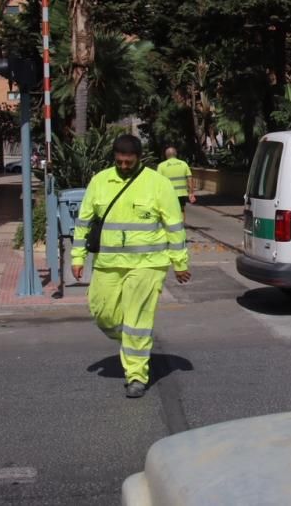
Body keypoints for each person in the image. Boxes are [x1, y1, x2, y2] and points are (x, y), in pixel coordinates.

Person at [72, 135, 191, 398]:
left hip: (148, 264)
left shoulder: (157, 184)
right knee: (102, 312)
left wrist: (180, 263)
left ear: (139, 158)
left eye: (129, 162)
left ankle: (136, 375)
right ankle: (132, 343)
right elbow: (83, 222)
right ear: (113, 157)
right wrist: (77, 257)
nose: (124, 166)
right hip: (108, 262)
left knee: (137, 319)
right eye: (119, 162)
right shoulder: (100, 181)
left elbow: (174, 226)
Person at [156, 147, 196, 215]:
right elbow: (190, 179)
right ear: (176, 154)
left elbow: (157, 181)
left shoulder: (161, 166)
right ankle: (181, 225)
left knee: (168, 211)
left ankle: (170, 224)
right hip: (181, 193)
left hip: (167, 193)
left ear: (166, 155)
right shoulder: (183, 164)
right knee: (181, 210)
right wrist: (191, 193)